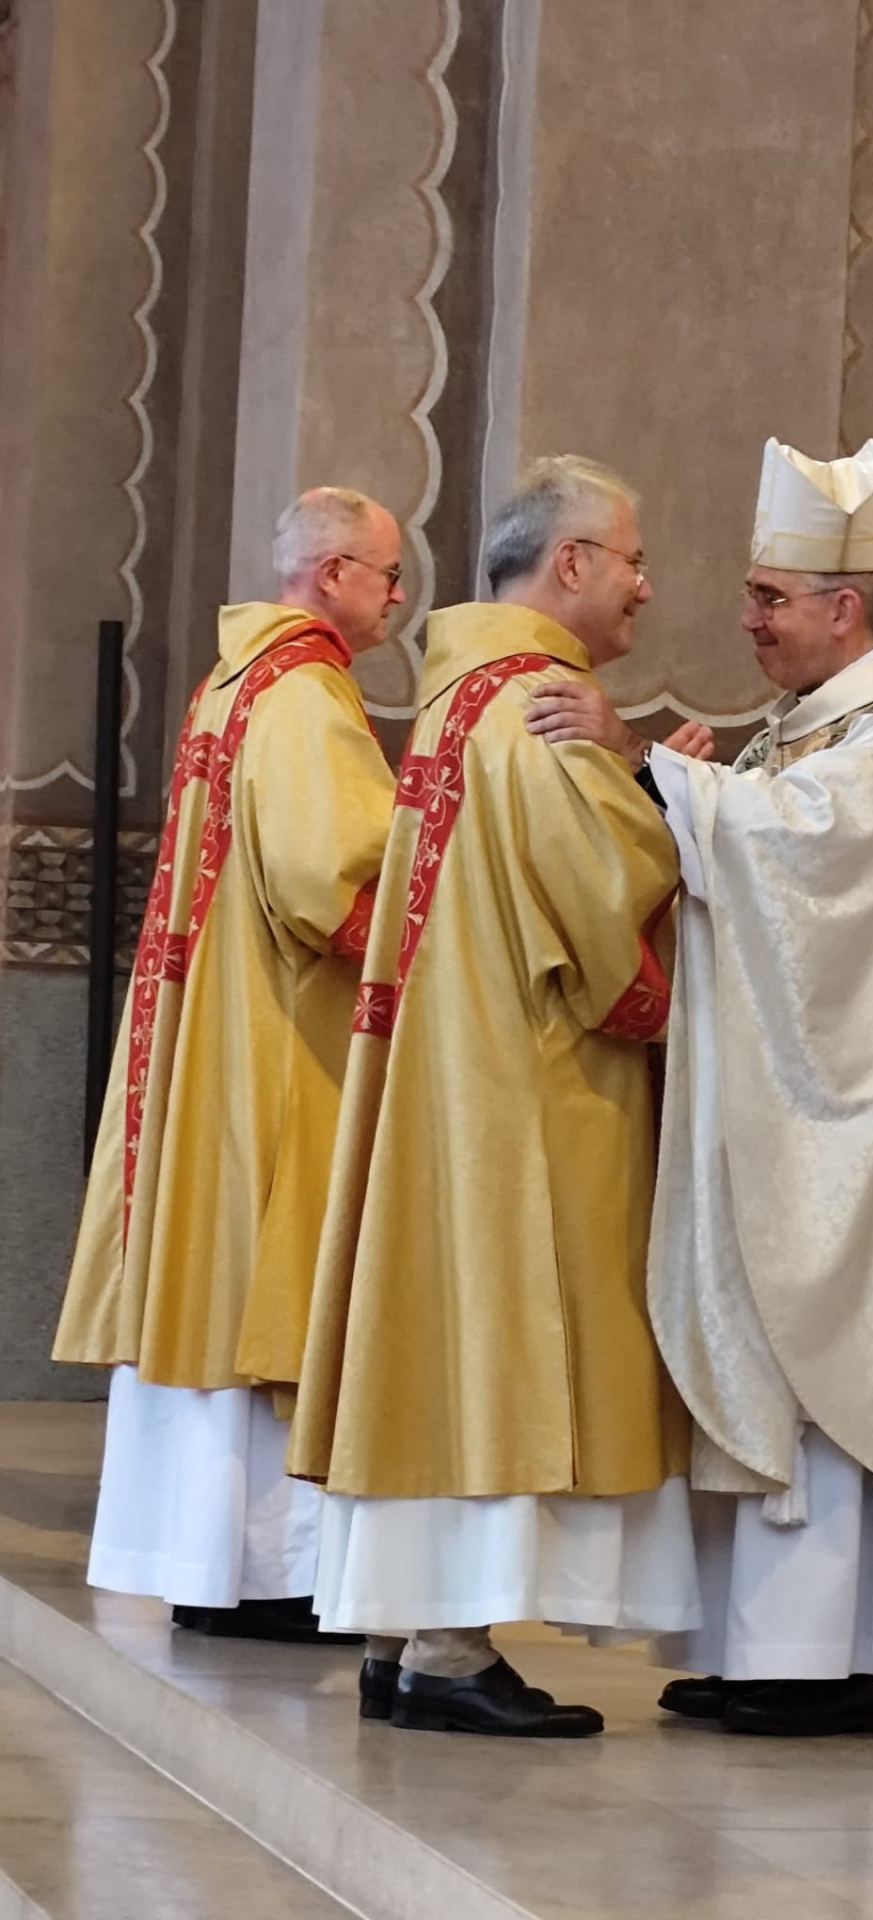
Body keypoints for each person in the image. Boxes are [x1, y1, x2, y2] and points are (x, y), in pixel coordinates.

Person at [527, 437, 873, 1736]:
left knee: (835, 1376)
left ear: (844, 608)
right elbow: (751, 855)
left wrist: (647, 759)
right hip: (791, 1115)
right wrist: (691, 786)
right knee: (774, 1369)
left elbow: (808, 862)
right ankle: (766, 1651)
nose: (747, 619)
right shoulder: (812, 730)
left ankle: (829, 1667)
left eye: (769, 598)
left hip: (858, 1145)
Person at [288, 456, 714, 1738]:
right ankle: (452, 1650)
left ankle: (411, 1631)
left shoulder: (456, 693)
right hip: (525, 1096)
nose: (646, 584)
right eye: (631, 557)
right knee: (505, 1353)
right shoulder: (539, 701)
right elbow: (596, 900)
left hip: (444, 1078)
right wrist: (666, 797)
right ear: (569, 564)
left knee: (436, 1344)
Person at [52, 488, 400, 1640]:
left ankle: (205, 1561)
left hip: (209, 1028)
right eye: (389, 576)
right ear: (336, 574)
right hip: (273, 1038)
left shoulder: (227, 680)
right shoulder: (305, 691)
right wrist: (429, 877)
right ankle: (264, 1573)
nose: (398, 599)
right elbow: (323, 874)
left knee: (209, 1282)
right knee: (265, 1280)